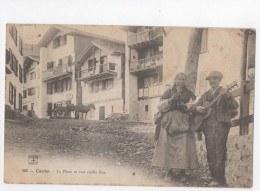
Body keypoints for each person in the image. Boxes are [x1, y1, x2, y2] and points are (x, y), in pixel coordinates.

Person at [192, 70, 238, 187]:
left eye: (215, 79)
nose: (213, 81)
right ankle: (213, 176)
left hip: (221, 126)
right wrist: (198, 108)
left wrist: (227, 96)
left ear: (220, 80)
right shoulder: (206, 94)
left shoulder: (225, 92)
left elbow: (234, 106)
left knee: (219, 151)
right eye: (211, 79)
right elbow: (196, 106)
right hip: (208, 127)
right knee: (211, 151)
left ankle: (219, 179)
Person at [152, 72, 197, 182]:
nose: (181, 81)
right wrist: (170, 100)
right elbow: (160, 107)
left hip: (183, 121)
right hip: (169, 122)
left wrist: (183, 105)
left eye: (183, 79)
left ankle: (182, 172)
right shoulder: (168, 92)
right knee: (169, 146)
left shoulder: (189, 93)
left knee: (183, 147)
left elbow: (192, 107)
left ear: (185, 81)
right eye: (179, 79)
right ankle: (169, 172)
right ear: (175, 80)